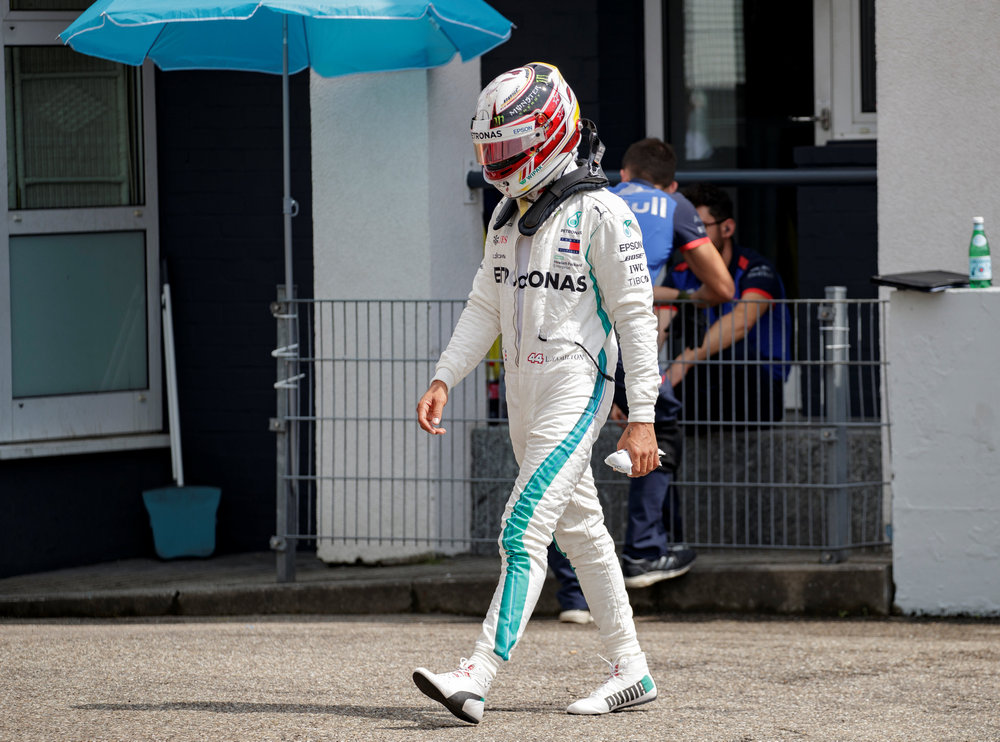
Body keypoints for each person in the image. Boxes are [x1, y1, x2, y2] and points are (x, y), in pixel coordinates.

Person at [412, 62, 663, 723]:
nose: (497, 162)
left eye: (510, 147)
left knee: (522, 527)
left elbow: (637, 318)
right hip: (523, 393)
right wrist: (444, 375)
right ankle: (632, 671)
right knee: (581, 529)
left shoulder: (604, 213)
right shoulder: (506, 214)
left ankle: (475, 675)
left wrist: (642, 415)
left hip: (575, 388)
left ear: (552, 134)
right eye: (489, 149)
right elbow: (484, 305)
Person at [546, 139, 733, 623]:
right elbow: (722, 288)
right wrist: (677, 296)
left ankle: (573, 595)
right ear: (670, 184)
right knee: (660, 426)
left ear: (623, 172)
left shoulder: (590, 196)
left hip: (565, 341)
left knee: (560, 453)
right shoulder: (674, 206)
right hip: (627, 341)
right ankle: (645, 552)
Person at [663, 183, 792, 425]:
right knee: (665, 395)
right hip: (704, 382)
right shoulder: (680, 273)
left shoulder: (756, 268)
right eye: (684, 228)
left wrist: (682, 363)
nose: (689, 236)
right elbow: (657, 330)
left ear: (727, 228)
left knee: (733, 351)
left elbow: (742, 322)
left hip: (758, 385)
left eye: (699, 227)